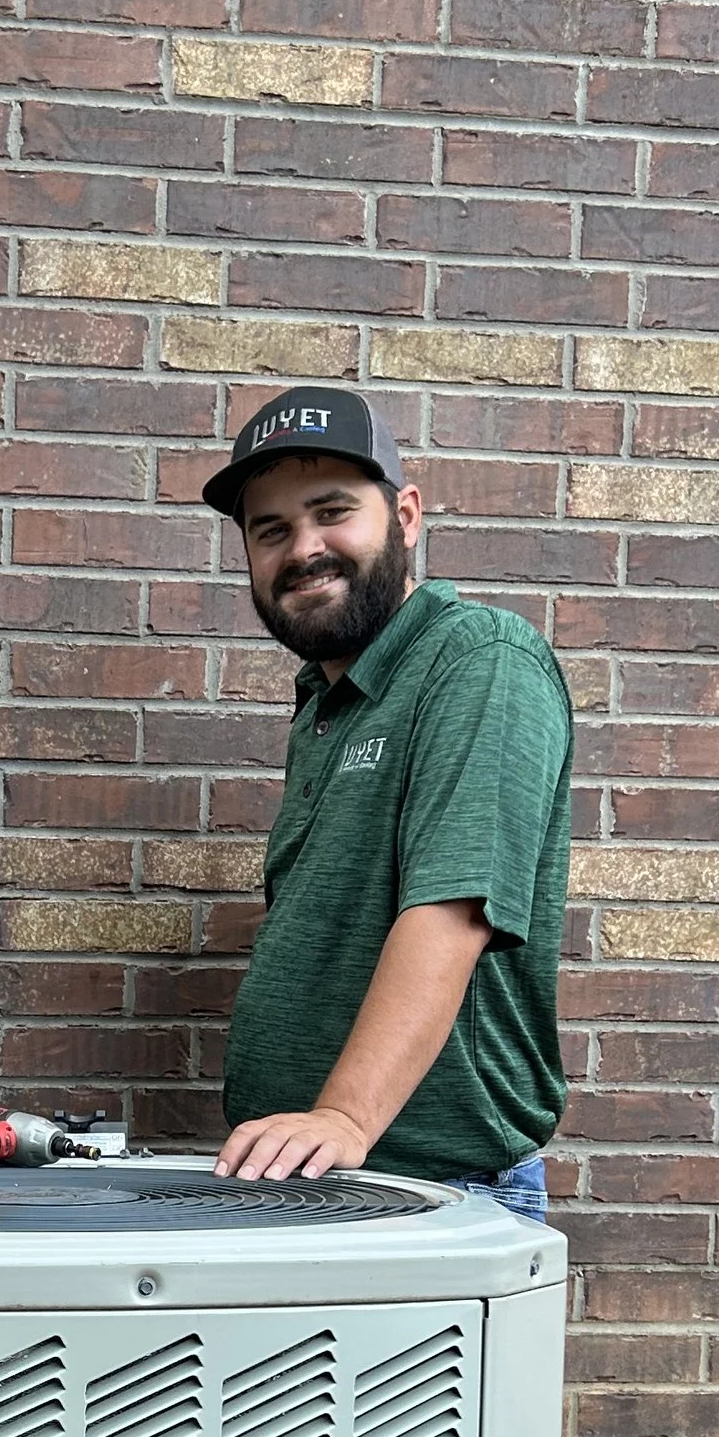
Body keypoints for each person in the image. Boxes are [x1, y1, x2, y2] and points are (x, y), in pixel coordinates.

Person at [200, 386, 573, 1220]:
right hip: (315, 1182)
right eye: (271, 530)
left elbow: (452, 911)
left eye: (333, 512)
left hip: (432, 1193)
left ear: (406, 516)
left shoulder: (476, 661)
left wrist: (343, 1115)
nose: (304, 548)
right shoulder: (326, 703)